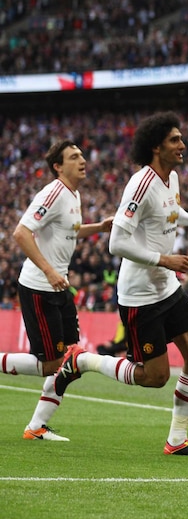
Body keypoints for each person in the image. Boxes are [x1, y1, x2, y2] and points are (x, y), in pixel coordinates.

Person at [53, 111, 188, 456]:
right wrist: (165, 259)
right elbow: (117, 242)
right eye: (175, 140)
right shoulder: (139, 184)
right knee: (154, 376)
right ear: (156, 146)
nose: (183, 145)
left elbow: (171, 214)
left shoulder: (171, 178)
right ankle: (84, 361)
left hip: (168, 287)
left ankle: (177, 440)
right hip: (140, 295)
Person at [0, 141, 112, 441]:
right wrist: (49, 270)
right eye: (73, 157)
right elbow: (21, 233)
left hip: (59, 286)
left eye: (82, 155)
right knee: (53, 363)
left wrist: (99, 227)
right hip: (39, 286)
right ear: (58, 167)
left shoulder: (73, 195)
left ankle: (36, 427)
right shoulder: (52, 193)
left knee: (71, 360)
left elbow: (70, 231)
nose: (82, 160)